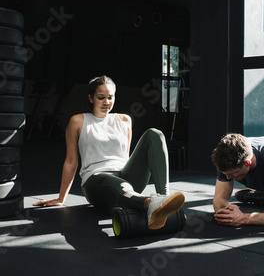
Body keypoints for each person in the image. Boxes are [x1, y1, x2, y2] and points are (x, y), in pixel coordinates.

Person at [33, 75, 184, 230]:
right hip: (96, 182)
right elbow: (71, 161)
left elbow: (125, 156)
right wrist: (61, 198)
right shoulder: (78, 121)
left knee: (154, 134)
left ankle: (163, 199)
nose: (106, 102)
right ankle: (150, 204)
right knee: (121, 185)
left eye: (110, 97)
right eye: (101, 97)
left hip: (126, 176)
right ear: (91, 98)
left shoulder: (125, 120)